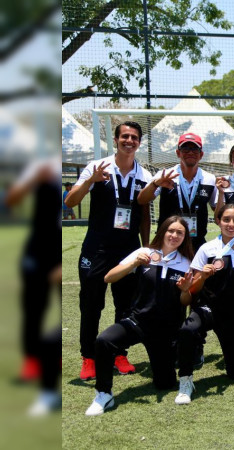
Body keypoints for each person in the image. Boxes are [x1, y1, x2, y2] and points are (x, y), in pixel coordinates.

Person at [64, 121, 153, 381]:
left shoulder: (144, 175)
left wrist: (144, 246)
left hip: (128, 249)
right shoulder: (96, 167)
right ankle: (88, 357)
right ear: (115, 140)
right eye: (124, 136)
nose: (129, 141)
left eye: (134, 137)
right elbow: (70, 202)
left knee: (126, 304)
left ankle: (119, 354)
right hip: (97, 248)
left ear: (139, 142)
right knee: (91, 304)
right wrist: (90, 180)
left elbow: (145, 215)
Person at [85, 216, 194, 416]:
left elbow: (185, 302)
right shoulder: (144, 253)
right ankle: (103, 393)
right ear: (162, 231)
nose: (174, 235)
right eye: (171, 230)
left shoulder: (186, 263)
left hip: (165, 331)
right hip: (138, 321)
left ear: (185, 237)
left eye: (180, 233)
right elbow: (109, 277)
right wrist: (134, 262)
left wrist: (186, 290)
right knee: (104, 341)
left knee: (165, 383)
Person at [174, 204, 234, 404]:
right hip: (207, 308)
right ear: (218, 221)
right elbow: (192, 289)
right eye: (226, 219)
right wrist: (202, 276)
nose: (231, 224)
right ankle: (185, 381)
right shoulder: (207, 248)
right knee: (187, 330)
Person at [5, 157, 63, 415]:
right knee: (33, 309)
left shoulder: (86, 169)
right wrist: (31, 179)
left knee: (65, 310)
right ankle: (31, 362)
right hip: (38, 253)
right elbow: (12, 200)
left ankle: (55, 357)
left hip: (59, 254)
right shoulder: (41, 165)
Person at [138, 132, 218, 251]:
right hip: (167, 242)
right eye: (185, 149)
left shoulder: (210, 179)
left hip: (196, 244)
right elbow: (141, 200)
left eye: (195, 149)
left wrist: (222, 193)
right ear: (178, 153)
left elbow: (218, 214)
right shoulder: (165, 175)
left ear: (201, 154)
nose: (190, 152)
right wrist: (155, 184)